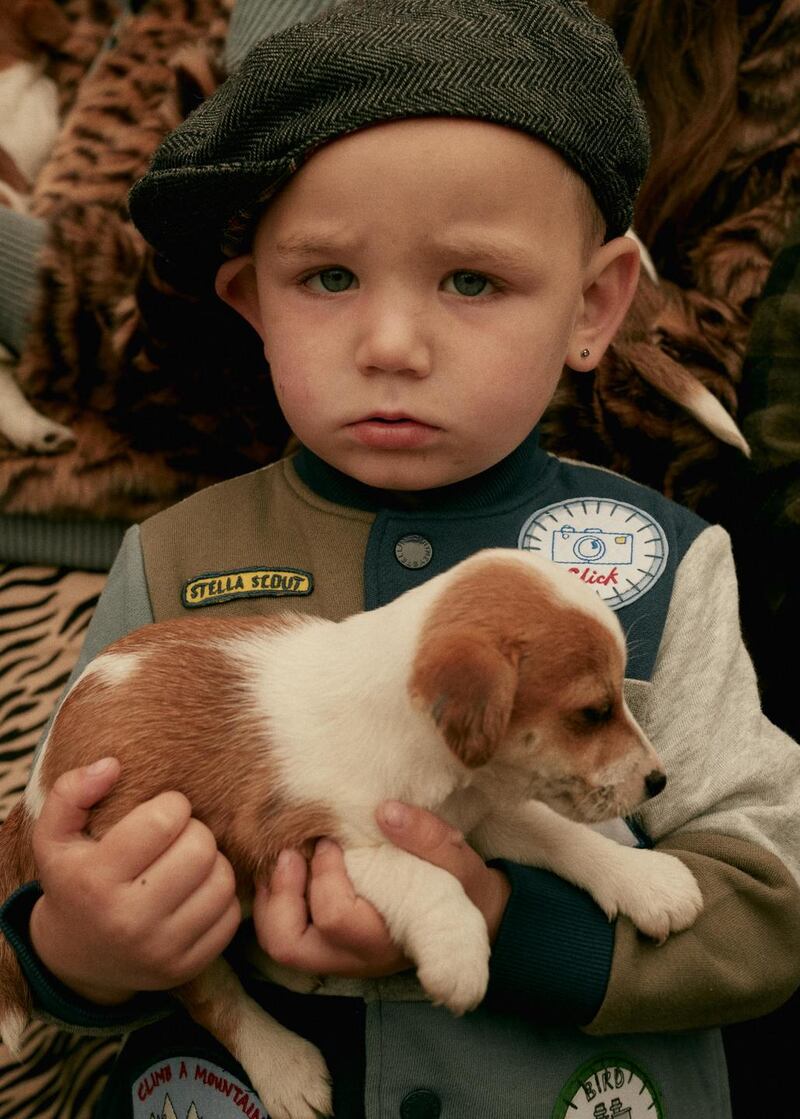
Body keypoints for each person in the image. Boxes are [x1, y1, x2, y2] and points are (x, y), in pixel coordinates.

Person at [2, 2, 800, 1117]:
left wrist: (512, 922)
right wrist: (74, 951)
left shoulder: (670, 562)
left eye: (471, 281)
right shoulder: (171, 560)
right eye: (327, 278)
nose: (390, 345)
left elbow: (773, 901)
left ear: (595, 305)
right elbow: (71, 867)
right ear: (251, 302)